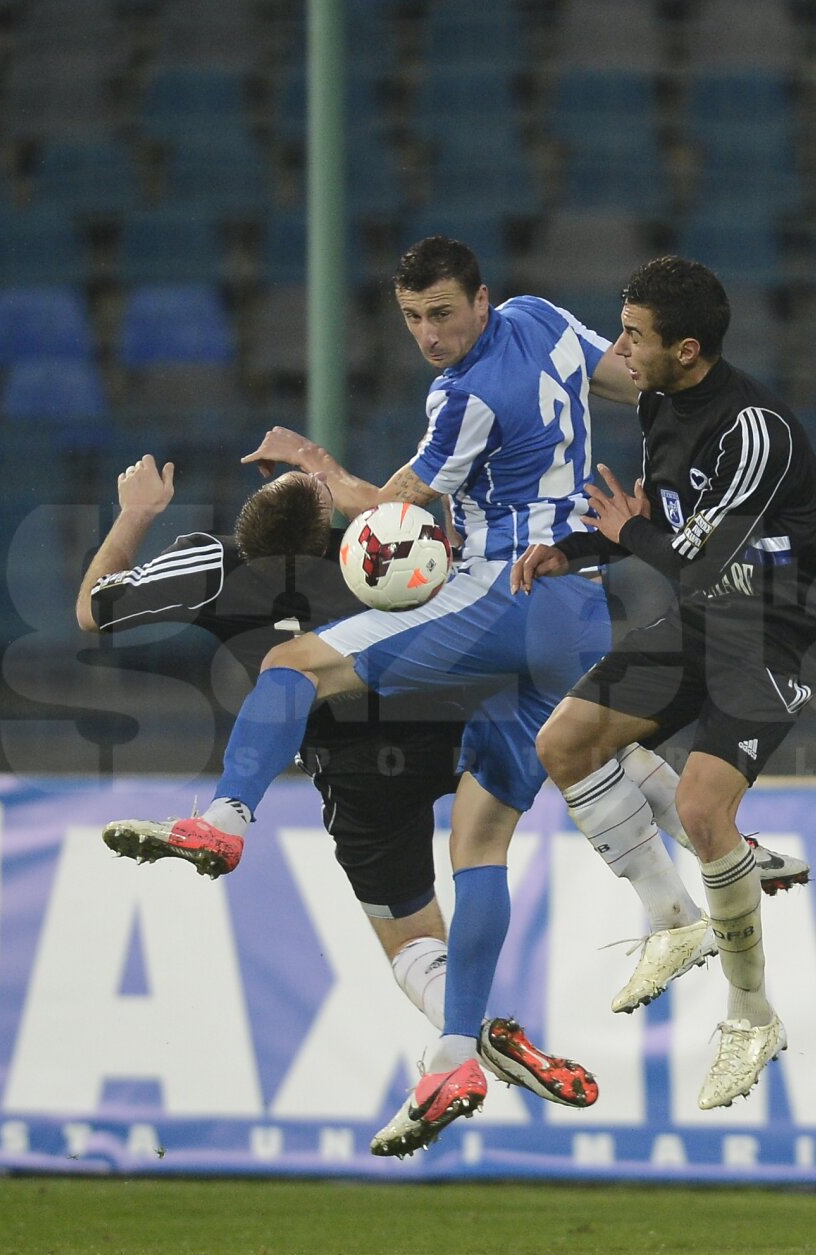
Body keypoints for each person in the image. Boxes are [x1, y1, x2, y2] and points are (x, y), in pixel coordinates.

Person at [102, 236, 637, 1157]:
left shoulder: (455, 399)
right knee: (484, 840)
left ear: (477, 299)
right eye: (413, 319)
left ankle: (226, 818)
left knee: (293, 670)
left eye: (440, 314)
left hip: (493, 614)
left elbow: (395, 510)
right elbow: (628, 377)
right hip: (581, 613)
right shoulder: (544, 318)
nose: (429, 336)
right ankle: (458, 1050)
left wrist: (149, 514)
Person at [81, 453, 600, 1126]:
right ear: (326, 524)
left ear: (247, 532)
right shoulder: (375, 551)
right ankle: (472, 1030)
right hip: (452, 723)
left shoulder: (213, 566)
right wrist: (330, 474)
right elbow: (431, 522)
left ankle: (472, 1037)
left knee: (411, 944)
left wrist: (136, 513)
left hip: (354, 772)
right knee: (482, 849)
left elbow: (94, 609)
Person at [514, 256, 816, 1111]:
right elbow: (660, 527)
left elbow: (701, 559)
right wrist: (576, 550)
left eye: (634, 335)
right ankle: (673, 918)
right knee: (566, 743)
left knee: (701, 808)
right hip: (704, 620)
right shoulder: (659, 404)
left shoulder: (755, 429)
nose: (619, 348)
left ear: (687, 349)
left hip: (774, 632)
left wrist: (627, 529)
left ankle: (751, 1014)